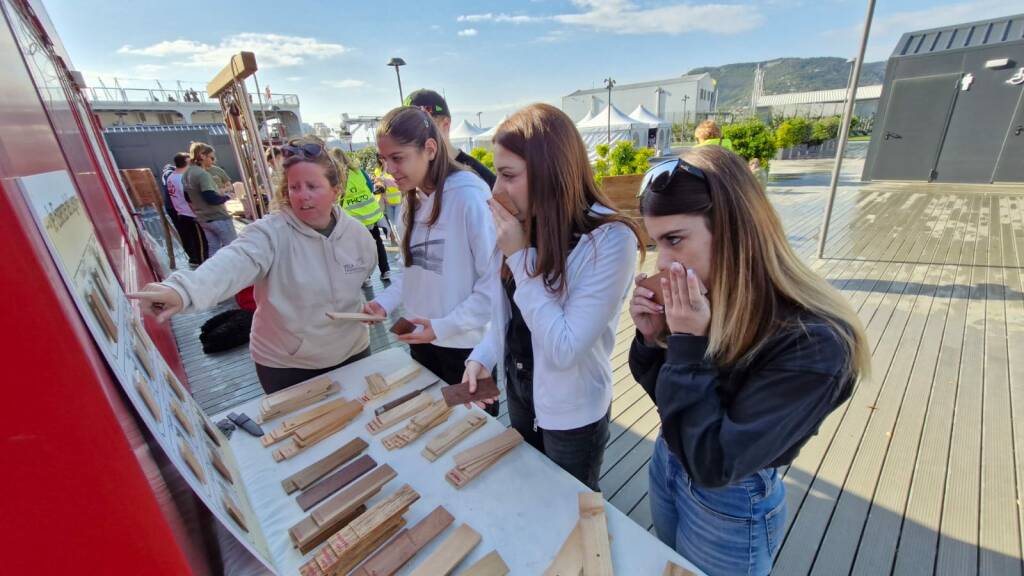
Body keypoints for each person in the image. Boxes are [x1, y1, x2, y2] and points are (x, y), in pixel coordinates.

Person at [627, 146, 870, 575]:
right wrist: (653, 341)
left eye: (674, 239)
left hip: (731, 497)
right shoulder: (715, 296)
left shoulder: (817, 345)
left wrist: (686, 345)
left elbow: (715, 463)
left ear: (734, 230)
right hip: (669, 456)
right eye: (655, 242)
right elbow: (671, 405)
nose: (662, 261)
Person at [461, 103, 641, 490]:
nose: (496, 191)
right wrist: (482, 357)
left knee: (571, 509)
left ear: (551, 171)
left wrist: (520, 256)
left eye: (508, 175)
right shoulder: (522, 224)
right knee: (532, 496)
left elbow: (564, 347)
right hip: (522, 394)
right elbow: (508, 317)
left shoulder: (609, 239)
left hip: (573, 414)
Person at [129, 135, 378, 394]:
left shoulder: (358, 236)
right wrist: (183, 291)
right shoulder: (269, 234)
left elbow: (356, 284)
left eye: (313, 186)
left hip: (353, 352)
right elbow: (233, 262)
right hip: (289, 365)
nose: (303, 196)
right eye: (294, 187)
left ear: (335, 191)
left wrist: (367, 309)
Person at [364, 106, 500, 415]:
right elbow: (412, 271)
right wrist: (383, 302)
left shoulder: (469, 197)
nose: (390, 170)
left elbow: (495, 283)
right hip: (421, 341)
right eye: (384, 160)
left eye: (398, 158)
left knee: (470, 432)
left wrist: (442, 326)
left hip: (466, 352)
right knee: (432, 425)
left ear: (429, 149)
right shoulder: (411, 201)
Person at [405, 89, 496, 189]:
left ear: (445, 124)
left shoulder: (479, 178)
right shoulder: (414, 175)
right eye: (405, 128)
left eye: (420, 126)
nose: (410, 136)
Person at [331, 148, 391, 283]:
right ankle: (385, 270)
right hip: (370, 215)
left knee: (357, 247)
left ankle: (366, 277)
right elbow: (370, 188)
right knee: (377, 242)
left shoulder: (335, 176)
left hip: (353, 219)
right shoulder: (359, 172)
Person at [184, 143, 237, 256]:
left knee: (213, 248)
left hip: (203, 218)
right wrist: (227, 197)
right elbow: (211, 198)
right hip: (217, 217)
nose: (213, 161)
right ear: (202, 156)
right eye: (211, 157)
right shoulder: (203, 174)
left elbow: (187, 197)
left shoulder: (187, 173)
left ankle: (215, 272)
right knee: (234, 247)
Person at [165, 152, 207, 266]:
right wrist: (198, 213)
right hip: (190, 214)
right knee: (200, 241)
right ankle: (202, 261)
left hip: (181, 212)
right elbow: (189, 198)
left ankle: (195, 259)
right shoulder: (183, 179)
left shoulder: (171, 177)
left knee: (190, 239)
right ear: (187, 163)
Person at [373, 163, 402, 243]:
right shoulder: (378, 171)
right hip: (387, 203)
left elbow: (397, 183)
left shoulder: (396, 169)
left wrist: (384, 180)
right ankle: (398, 242)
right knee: (393, 225)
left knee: (397, 224)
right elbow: (377, 183)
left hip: (398, 202)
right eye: (381, 158)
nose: (383, 160)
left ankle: (402, 241)